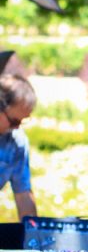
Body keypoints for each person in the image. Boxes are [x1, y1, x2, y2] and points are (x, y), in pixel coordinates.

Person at [0, 74, 38, 220]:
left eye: (22, 122)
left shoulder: (17, 143)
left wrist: (33, 235)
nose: (17, 128)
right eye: (14, 121)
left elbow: (23, 196)